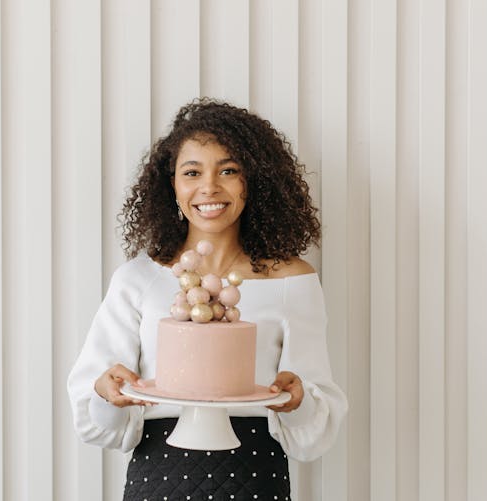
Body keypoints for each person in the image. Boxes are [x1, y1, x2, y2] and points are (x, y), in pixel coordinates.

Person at [67, 98, 348, 500]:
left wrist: (298, 400)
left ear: (253, 181)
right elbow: (99, 426)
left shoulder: (293, 280)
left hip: (255, 476)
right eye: (192, 172)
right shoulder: (138, 279)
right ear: (173, 185)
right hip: (158, 477)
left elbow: (313, 435)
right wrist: (107, 394)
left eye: (229, 170)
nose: (209, 187)